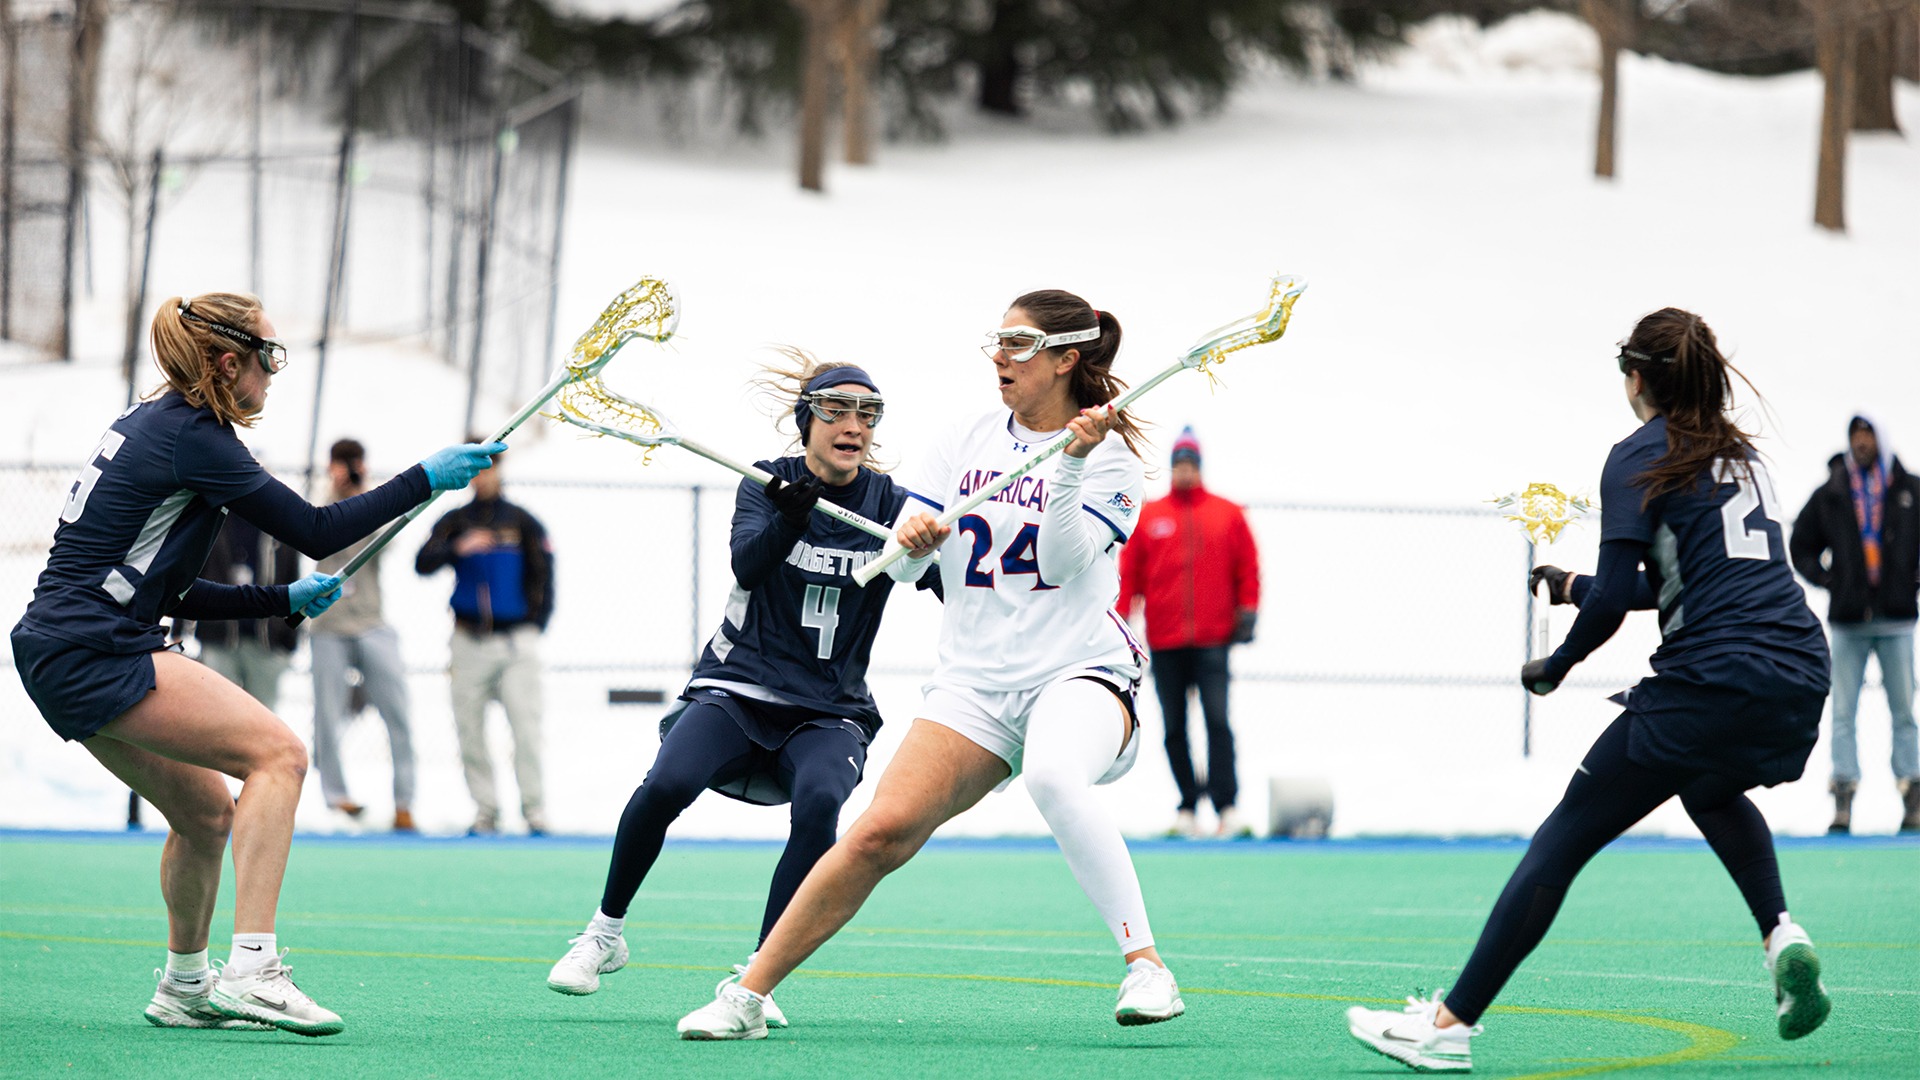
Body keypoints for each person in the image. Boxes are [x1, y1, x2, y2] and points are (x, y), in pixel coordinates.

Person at [678, 289, 1185, 1040]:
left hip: (1079, 672)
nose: (1000, 357)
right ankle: (747, 994)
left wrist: (1073, 465)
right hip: (975, 684)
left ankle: (1147, 967)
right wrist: (910, 542)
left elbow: (1058, 562)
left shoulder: (1110, 457)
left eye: (1018, 344)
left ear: (1065, 359)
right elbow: (909, 568)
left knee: (1052, 774)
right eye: (998, 340)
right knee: (878, 833)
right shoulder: (963, 438)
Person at [1344, 308, 1833, 1073]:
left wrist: (1557, 664)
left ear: (1637, 377)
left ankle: (1446, 1027)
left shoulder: (1637, 454)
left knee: (1564, 838)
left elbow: (1614, 605)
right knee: (1708, 787)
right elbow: (1688, 577)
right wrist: (1576, 584)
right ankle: (1781, 935)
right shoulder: (1741, 454)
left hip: (1713, 678)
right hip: (1801, 670)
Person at [8, 292, 504, 1036]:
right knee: (280, 755)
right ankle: (254, 972)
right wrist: (425, 479)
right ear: (225, 362)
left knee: (205, 815)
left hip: (63, 646)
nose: (274, 374)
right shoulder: (196, 437)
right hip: (93, 645)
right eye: (269, 357)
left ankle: (185, 985)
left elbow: (170, 588)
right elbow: (315, 528)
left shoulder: (158, 423)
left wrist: (281, 599)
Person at [547, 355, 936, 1027]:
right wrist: (790, 519)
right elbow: (748, 565)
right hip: (738, 686)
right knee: (667, 783)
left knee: (821, 804)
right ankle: (604, 934)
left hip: (830, 707)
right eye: (837, 410)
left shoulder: (892, 506)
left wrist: (930, 548)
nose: (854, 425)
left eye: (868, 413)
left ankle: (760, 972)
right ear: (807, 419)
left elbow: (945, 585)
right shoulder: (765, 483)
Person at [1118, 425, 1261, 839]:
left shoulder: (1228, 513)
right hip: (1165, 641)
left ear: (1199, 467)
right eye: (1178, 464)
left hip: (1214, 640)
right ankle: (1187, 806)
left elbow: (1248, 566)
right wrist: (1121, 621)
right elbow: (1131, 574)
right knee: (1174, 727)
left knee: (1217, 722)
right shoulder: (1150, 516)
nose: (1184, 470)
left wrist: (1248, 610)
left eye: (1190, 464)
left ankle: (1226, 807)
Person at [415, 440, 553, 836]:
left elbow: (546, 575)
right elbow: (422, 563)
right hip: (468, 641)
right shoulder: (455, 520)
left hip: (515, 641)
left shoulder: (523, 521)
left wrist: (534, 624)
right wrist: (457, 548)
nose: (485, 475)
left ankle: (534, 810)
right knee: (470, 730)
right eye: (479, 468)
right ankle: (485, 810)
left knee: (526, 727)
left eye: (491, 466)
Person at [1789, 416, 1920, 833]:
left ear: (1880, 439)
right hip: (1848, 621)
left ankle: (1913, 793)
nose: (1861, 442)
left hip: (1897, 619)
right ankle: (1843, 795)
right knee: (1843, 711)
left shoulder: (1909, 489)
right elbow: (1800, 544)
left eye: (1867, 435)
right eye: (1855, 436)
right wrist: (1830, 580)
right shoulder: (1833, 492)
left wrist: (1911, 581)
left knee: (1904, 711)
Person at [310, 438, 418, 832]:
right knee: (327, 714)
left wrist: (364, 494)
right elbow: (308, 536)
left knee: (398, 712)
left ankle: (404, 803)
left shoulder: (371, 502)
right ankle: (336, 796)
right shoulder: (318, 502)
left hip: (372, 623)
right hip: (328, 627)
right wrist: (333, 491)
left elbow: (390, 540)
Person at [183, 514, 299, 709]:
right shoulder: (211, 516)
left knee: (261, 718)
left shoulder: (281, 522)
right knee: (215, 713)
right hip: (218, 636)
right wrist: (180, 628)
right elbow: (189, 574)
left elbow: (292, 578)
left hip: (266, 641)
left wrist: (289, 638)